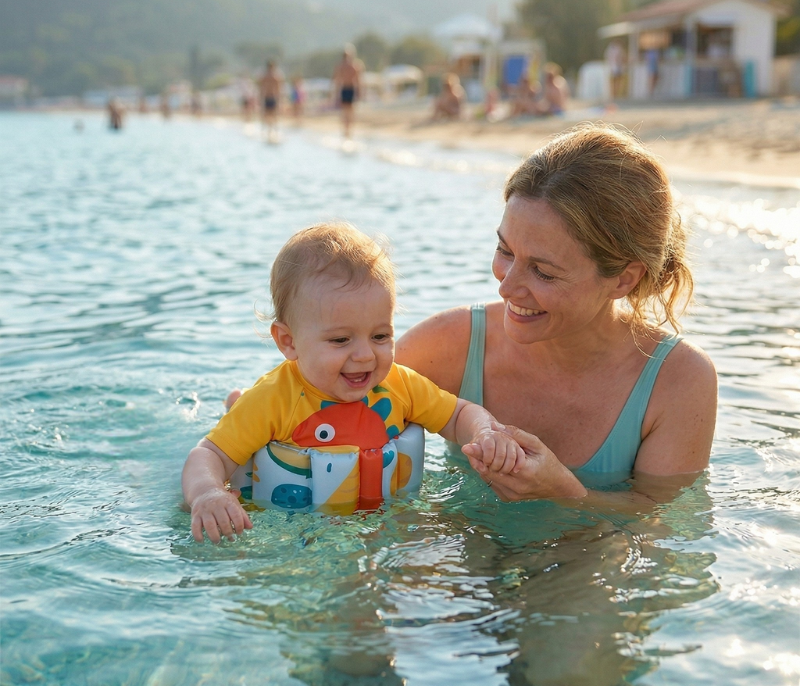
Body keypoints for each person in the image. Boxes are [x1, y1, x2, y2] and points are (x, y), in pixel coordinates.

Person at [396, 125, 717, 509]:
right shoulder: (447, 346)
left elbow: (668, 521)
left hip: (596, 560)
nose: (507, 287)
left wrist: (565, 494)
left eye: (543, 272)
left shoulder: (678, 380)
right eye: (505, 251)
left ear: (623, 279)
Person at [183, 223, 525, 543]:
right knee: (242, 422)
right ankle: (235, 404)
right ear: (288, 342)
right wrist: (208, 493)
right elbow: (208, 454)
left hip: (375, 514)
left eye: (380, 335)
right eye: (340, 340)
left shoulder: (398, 385)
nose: (365, 355)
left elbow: (457, 414)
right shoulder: (272, 402)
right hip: (292, 519)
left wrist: (484, 432)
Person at [332, 45, 362, 139]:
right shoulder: (352, 66)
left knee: (348, 111)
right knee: (347, 111)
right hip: (346, 89)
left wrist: (359, 91)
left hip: (348, 89)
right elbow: (337, 80)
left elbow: (357, 80)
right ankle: (347, 130)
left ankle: (348, 130)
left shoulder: (351, 66)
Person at [259, 60, 284, 140]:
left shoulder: (269, 77)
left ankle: (271, 130)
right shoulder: (274, 77)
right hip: (270, 97)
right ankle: (271, 130)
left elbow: (278, 89)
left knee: (270, 114)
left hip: (270, 97)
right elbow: (278, 89)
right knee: (270, 114)